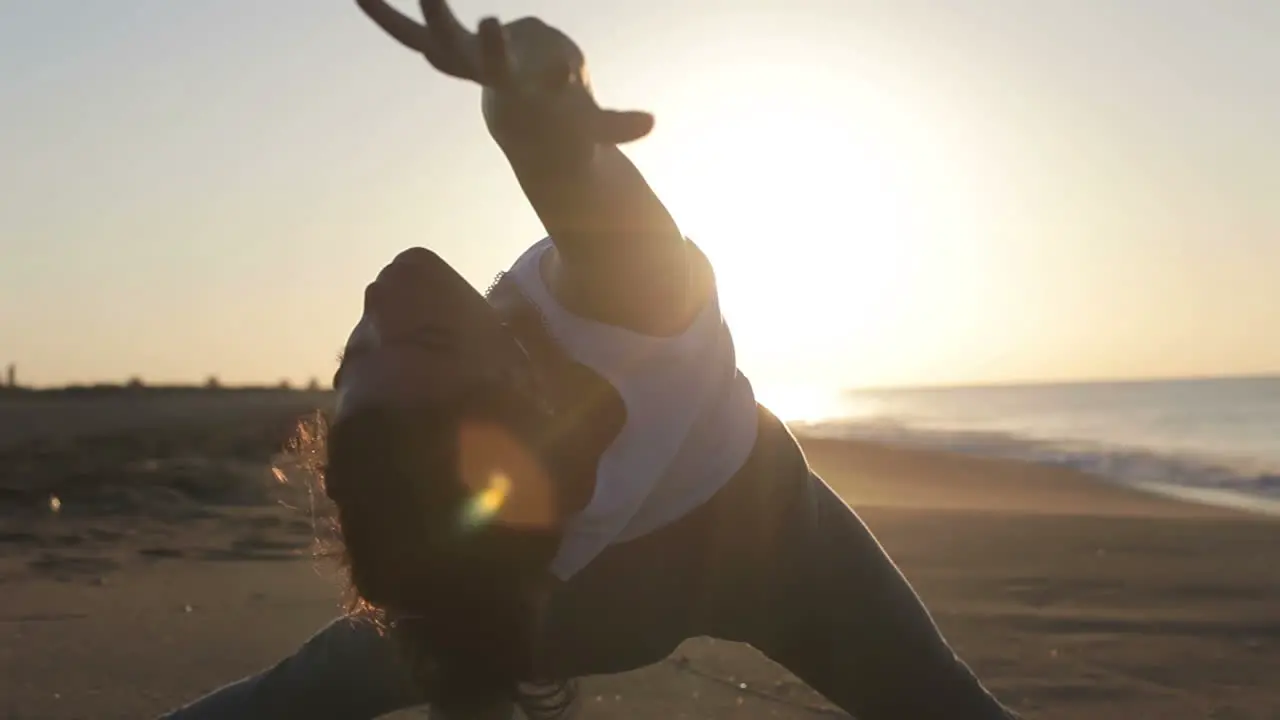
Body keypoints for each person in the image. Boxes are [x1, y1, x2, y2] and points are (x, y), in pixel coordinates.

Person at [162, 1, 1022, 718]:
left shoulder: (452, 552)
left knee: (315, 688)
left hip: (560, 610)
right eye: (425, 337)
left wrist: (532, 100)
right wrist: (532, 107)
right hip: (764, 539)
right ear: (519, 382)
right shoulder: (631, 309)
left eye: (355, 355)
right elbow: (568, 168)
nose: (382, 303)